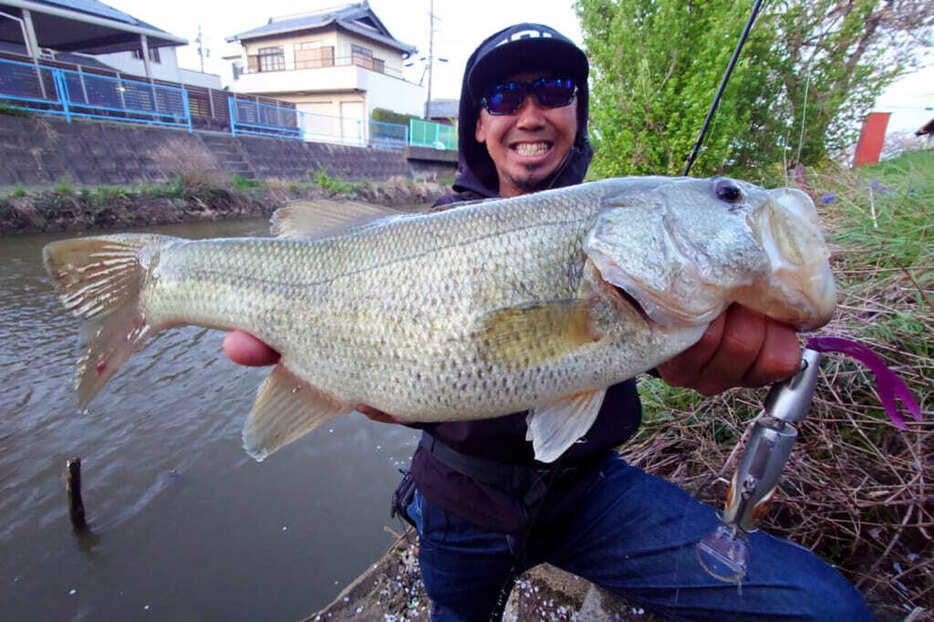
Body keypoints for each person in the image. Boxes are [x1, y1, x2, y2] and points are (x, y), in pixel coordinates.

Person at [224, 24, 872, 622]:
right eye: (505, 96)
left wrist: (708, 333)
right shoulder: (419, 234)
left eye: (555, 92)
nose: (530, 114)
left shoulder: (635, 232)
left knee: (826, 610)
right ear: (478, 126)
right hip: (460, 504)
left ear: (576, 115)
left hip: (592, 494)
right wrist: (335, 379)